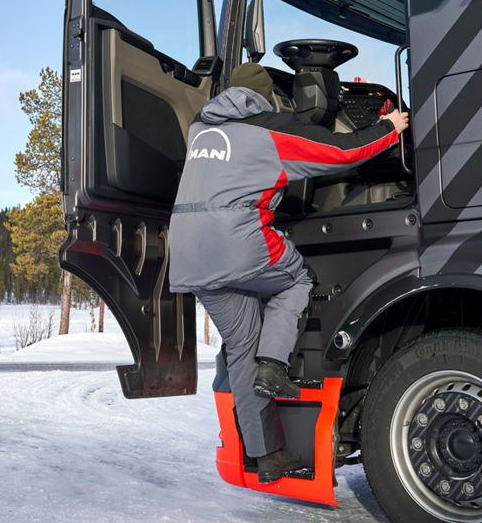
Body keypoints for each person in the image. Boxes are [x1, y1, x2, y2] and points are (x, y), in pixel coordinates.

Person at [168, 62, 409, 483]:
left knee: (240, 346)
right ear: (264, 97)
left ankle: (267, 457)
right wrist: (388, 126)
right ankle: (273, 365)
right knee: (296, 279)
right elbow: (340, 153)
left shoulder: (200, 131)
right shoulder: (266, 129)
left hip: (188, 253)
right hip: (238, 242)